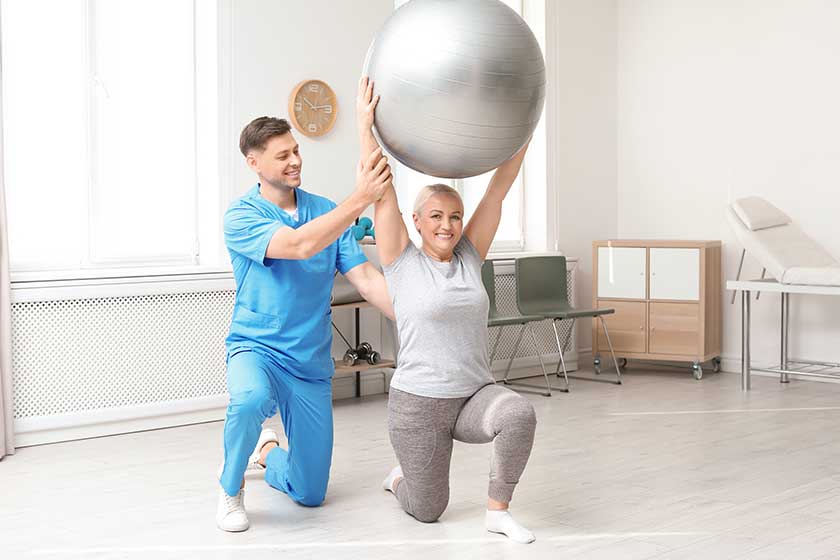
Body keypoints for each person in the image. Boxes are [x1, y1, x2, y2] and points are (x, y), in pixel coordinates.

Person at [357, 77, 538, 544]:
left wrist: (525, 124)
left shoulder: (470, 255)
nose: (447, 224)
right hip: (418, 406)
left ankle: (498, 512)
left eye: (454, 216)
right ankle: (401, 479)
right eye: (435, 216)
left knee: (518, 415)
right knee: (428, 510)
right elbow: (379, 185)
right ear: (416, 223)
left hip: (473, 395)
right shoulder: (401, 262)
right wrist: (365, 125)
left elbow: (498, 190)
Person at [216, 109, 394, 532]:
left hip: (308, 361)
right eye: (282, 155)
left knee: (311, 492)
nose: (295, 160)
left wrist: (418, 320)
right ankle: (230, 487)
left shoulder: (325, 210)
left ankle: (267, 454)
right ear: (254, 163)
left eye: (296, 151)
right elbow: (297, 245)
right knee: (248, 400)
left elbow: (366, 278)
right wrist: (361, 198)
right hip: (256, 348)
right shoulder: (241, 216)